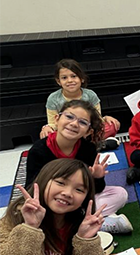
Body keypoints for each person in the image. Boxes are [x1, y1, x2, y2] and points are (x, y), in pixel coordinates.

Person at [0, 159, 132, 255]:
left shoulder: (78, 222)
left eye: (79, 189)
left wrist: (86, 240)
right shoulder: (14, 219)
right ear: (43, 181)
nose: (68, 193)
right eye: (61, 183)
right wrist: (30, 228)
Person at [26, 100, 132, 235]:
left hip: (78, 199)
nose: (74, 124)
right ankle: (90, 223)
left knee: (120, 194)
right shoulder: (39, 150)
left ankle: (82, 223)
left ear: (88, 131)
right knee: (29, 212)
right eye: (69, 117)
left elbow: (96, 190)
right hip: (52, 202)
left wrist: (97, 177)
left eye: (82, 122)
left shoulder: (88, 149)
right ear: (57, 119)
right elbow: (32, 188)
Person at [40, 58, 120, 149]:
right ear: (58, 81)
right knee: (47, 135)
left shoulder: (90, 95)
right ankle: (93, 146)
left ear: (81, 79)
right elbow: (53, 123)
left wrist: (104, 118)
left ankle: (81, 147)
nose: (69, 80)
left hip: (87, 131)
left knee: (112, 125)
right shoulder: (53, 98)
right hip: (66, 132)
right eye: (64, 78)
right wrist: (47, 127)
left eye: (74, 76)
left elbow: (96, 118)